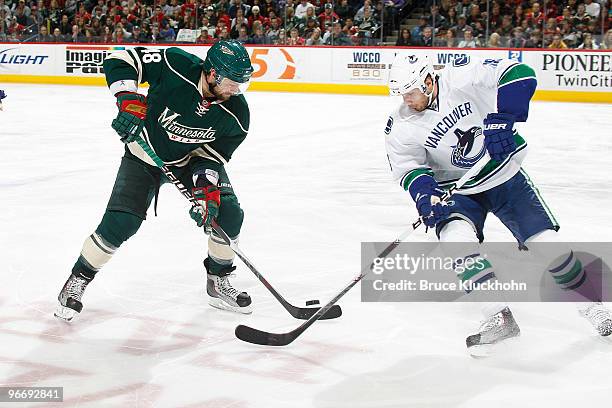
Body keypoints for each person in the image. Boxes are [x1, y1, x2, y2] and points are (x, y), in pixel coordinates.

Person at [384, 53, 612, 355]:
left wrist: (504, 117)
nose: (407, 99)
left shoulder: (461, 78)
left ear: (428, 81)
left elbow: (519, 73)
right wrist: (426, 195)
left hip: (502, 173)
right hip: (457, 189)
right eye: (402, 94)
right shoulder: (400, 124)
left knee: (545, 242)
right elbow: (409, 167)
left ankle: (593, 306)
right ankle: (498, 315)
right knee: (455, 240)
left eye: (411, 92)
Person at [55, 40, 255, 322]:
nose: (236, 90)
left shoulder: (237, 115)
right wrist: (128, 100)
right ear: (212, 73)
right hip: (143, 155)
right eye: (232, 83)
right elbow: (121, 57)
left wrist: (206, 191)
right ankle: (77, 281)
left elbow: (210, 158)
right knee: (122, 222)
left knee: (228, 213)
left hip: (189, 162)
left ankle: (217, 279)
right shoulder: (174, 64)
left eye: (242, 84)